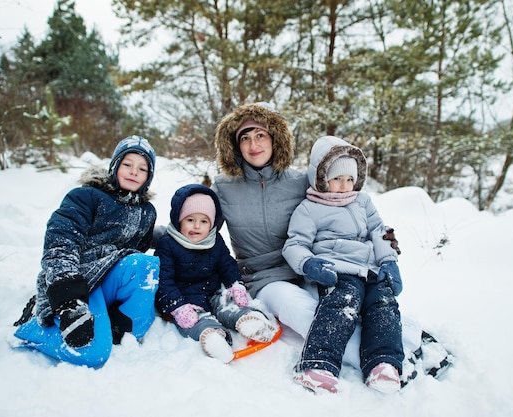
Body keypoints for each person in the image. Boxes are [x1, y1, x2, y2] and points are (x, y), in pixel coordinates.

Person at [212, 102, 450, 385]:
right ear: (235, 145)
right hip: (267, 277)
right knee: (309, 315)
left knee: (351, 304)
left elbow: (348, 207)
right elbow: (198, 228)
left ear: (275, 139)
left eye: (261, 135)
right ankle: (397, 361)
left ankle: (410, 338)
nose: (254, 144)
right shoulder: (224, 187)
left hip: (314, 268)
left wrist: (384, 247)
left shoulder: (300, 181)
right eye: (245, 137)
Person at [12, 135, 160, 368]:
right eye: (127, 164)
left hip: (110, 276)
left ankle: (118, 329)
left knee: (146, 265)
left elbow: (136, 253)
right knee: (93, 354)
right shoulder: (86, 197)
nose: (134, 172)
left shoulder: (146, 212)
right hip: (80, 279)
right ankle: (34, 329)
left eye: (142, 169)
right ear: (115, 166)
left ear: (148, 177)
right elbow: (61, 241)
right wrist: (68, 298)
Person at [283, 135, 404, 394]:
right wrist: (308, 264)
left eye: (350, 179)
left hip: (369, 268)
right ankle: (320, 365)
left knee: (384, 303)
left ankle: (383, 364)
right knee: (343, 303)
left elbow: (379, 231)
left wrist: (389, 261)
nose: (345, 185)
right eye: (337, 179)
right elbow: (294, 244)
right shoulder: (309, 208)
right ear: (321, 177)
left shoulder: (362, 201)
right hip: (338, 269)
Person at [154, 184, 278, 363]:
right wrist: (177, 306)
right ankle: (212, 337)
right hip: (186, 300)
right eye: (190, 220)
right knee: (196, 320)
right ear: (178, 219)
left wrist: (236, 285)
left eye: (204, 221)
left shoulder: (215, 241)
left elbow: (227, 265)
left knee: (227, 304)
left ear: (211, 224)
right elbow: (163, 281)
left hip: (212, 293)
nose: (196, 226)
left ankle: (247, 320)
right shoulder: (168, 244)